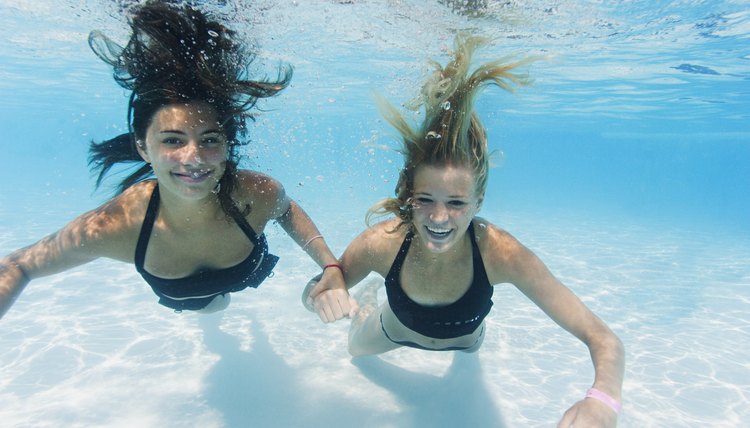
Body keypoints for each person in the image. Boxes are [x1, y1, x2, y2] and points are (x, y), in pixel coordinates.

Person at [304, 34, 625, 427]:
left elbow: (604, 338)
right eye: (425, 199)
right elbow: (314, 291)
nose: (439, 219)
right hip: (392, 329)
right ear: (408, 195)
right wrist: (322, 295)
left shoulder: (500, 253)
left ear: (479, 202)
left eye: (456, 203)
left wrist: (602, 399)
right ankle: (370, 303)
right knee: (357, 354)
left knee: (469, 360)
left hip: (468, 340)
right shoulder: (382, 245)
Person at [0, 0, 345, 317]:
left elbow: (285, 209)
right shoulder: (115, 227)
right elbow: (20, 264)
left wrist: (329, 266)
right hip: (191, 299)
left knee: (250, 299)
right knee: (213, 307)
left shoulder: (254, 194)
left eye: (209, 139)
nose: (193, 158)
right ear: (142, 147)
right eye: (172, 140)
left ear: (227, 146)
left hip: (246, 271)